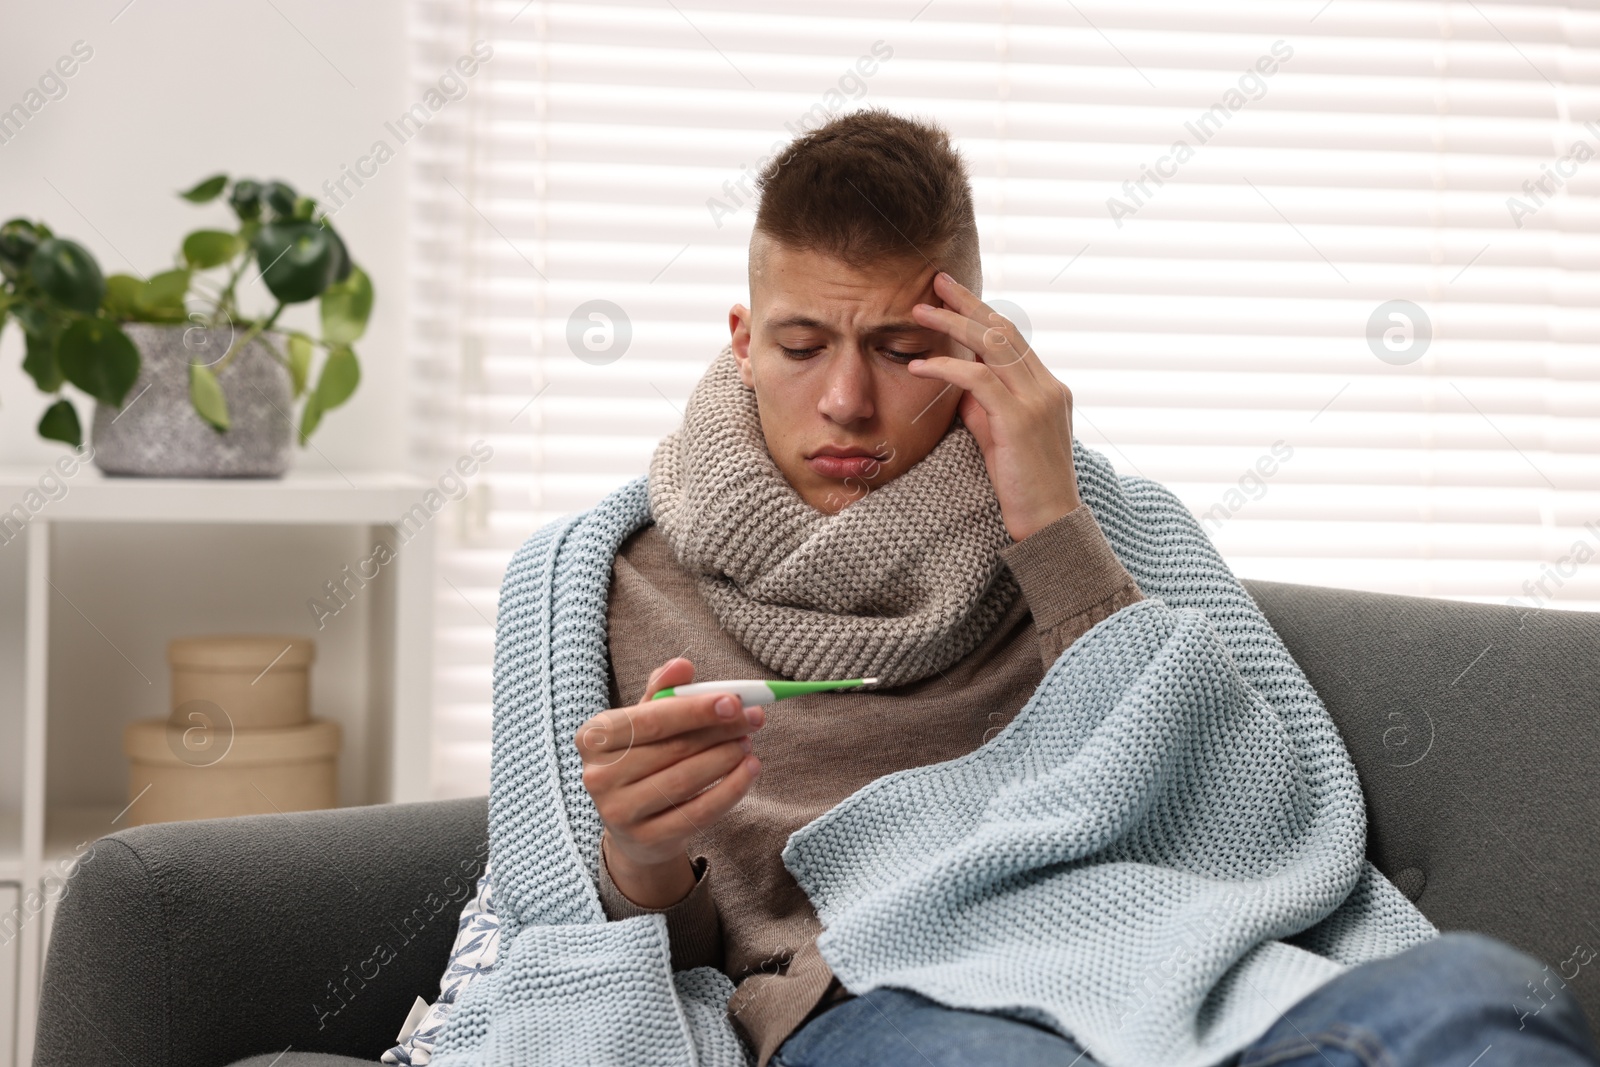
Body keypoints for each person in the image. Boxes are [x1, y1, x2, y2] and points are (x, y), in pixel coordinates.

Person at [390, 109, 1600, 1067]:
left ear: (978, 348)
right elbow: (628, 974)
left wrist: (1051, 527)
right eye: (803, 344)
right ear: (741, 340)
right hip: (868, 997)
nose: (848, 402)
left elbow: (1267, 822)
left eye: (903, 347)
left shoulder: (1103, 525)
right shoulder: (591, 580)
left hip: (1162, 959)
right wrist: (642, 857)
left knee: (1485, 997)